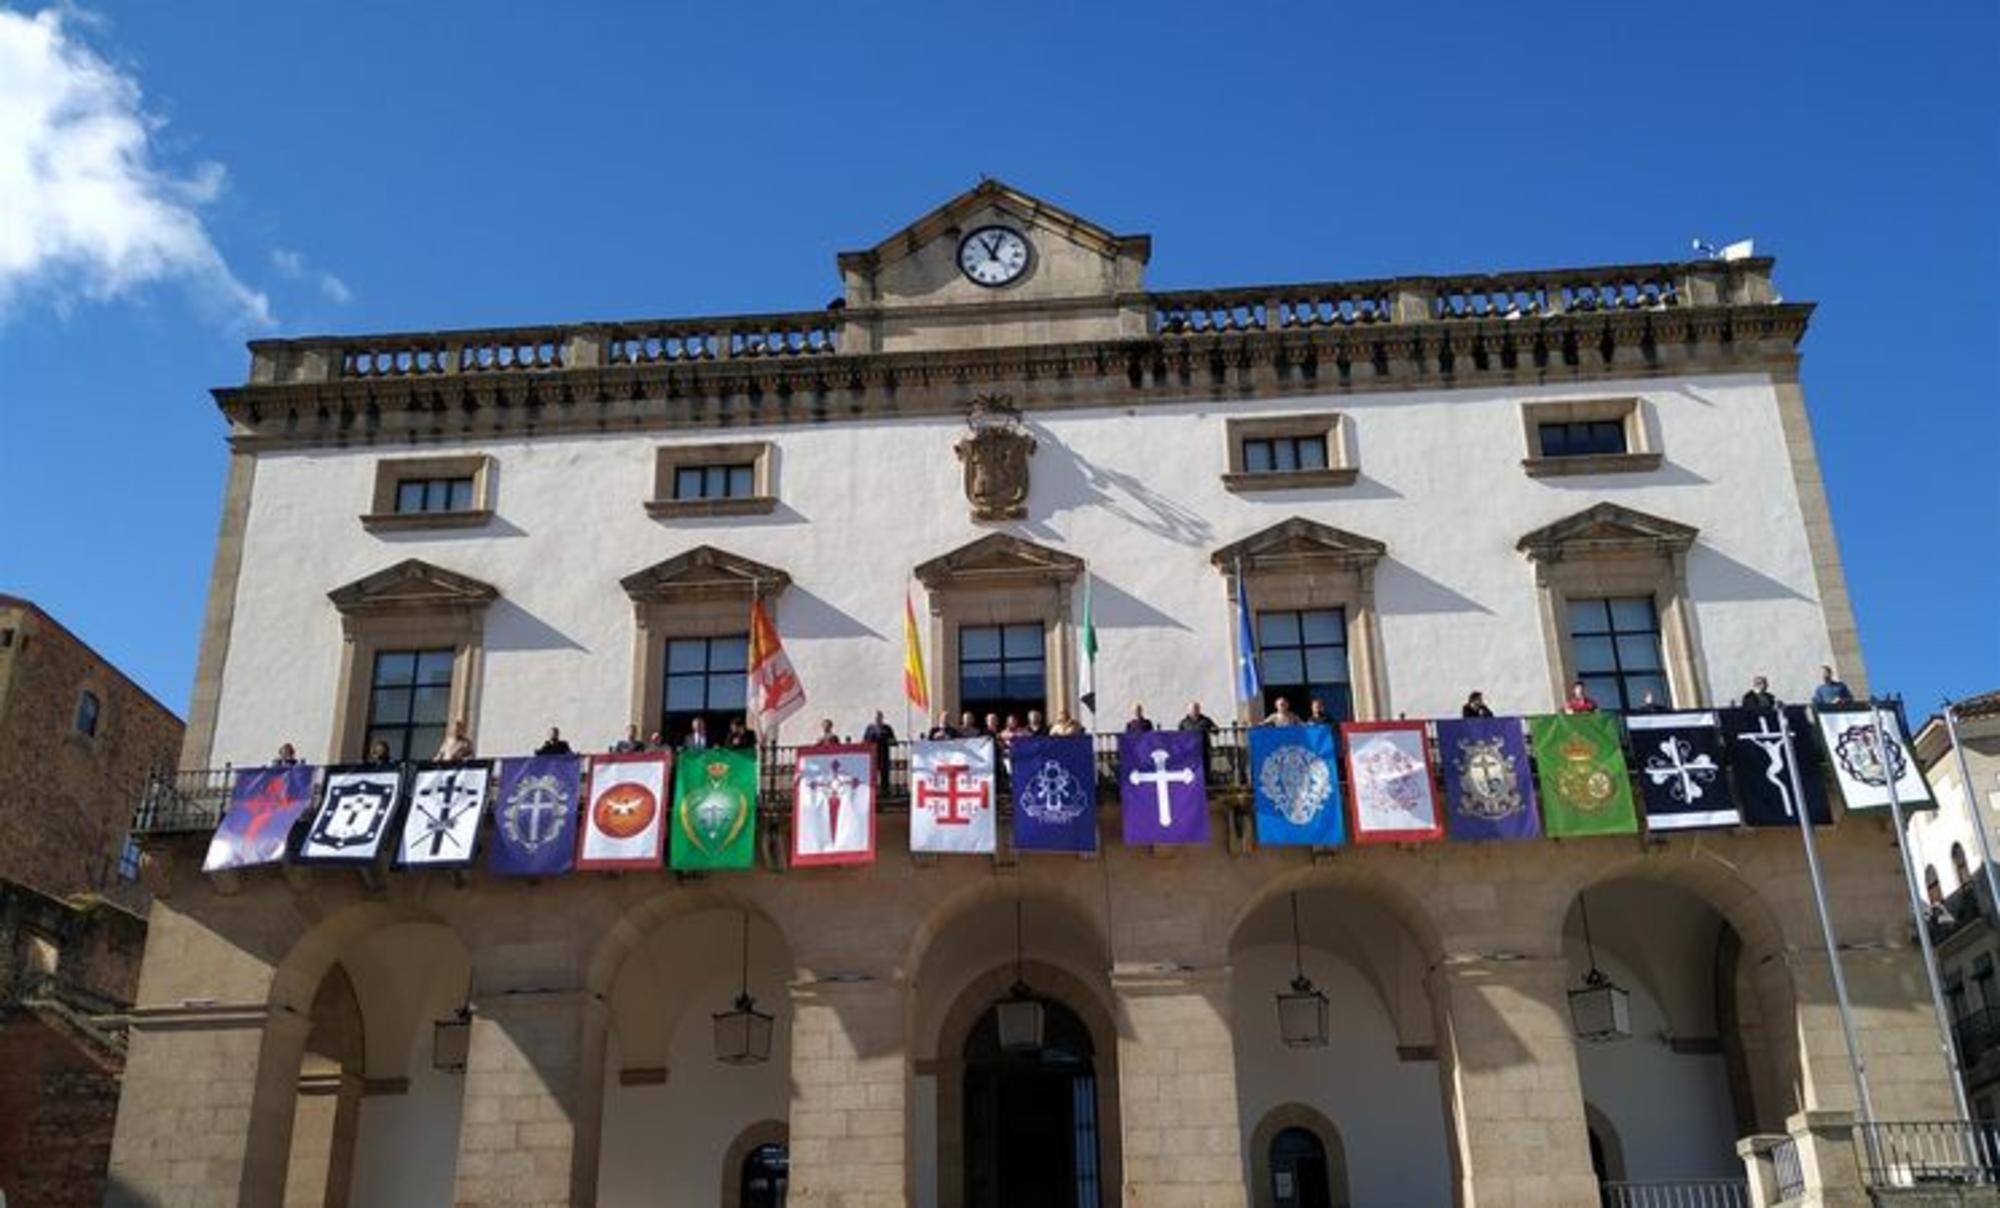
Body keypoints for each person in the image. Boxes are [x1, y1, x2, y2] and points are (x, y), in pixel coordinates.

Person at [862, 710, 896, 793]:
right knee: (873, 773)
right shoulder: (870, 728)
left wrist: (890, 741)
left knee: (884, 773)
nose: (878, 719)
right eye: (876, 717)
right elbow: (864, 740)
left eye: (879, 717)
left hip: (884, 754)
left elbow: (894, 740)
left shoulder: (887, 728)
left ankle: (885, 791)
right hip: (873, 755)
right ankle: (873, 791)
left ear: (882, 718)